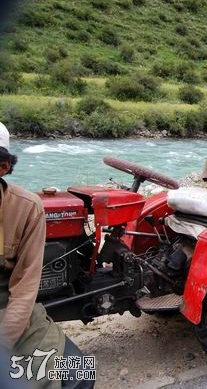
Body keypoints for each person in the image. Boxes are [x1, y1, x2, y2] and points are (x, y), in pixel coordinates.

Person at [0, 122, 94, 388]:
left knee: (81, 373)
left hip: (12, 311)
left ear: (3, 168)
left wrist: (4, 345)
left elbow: (24, 290)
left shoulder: (26, 208)